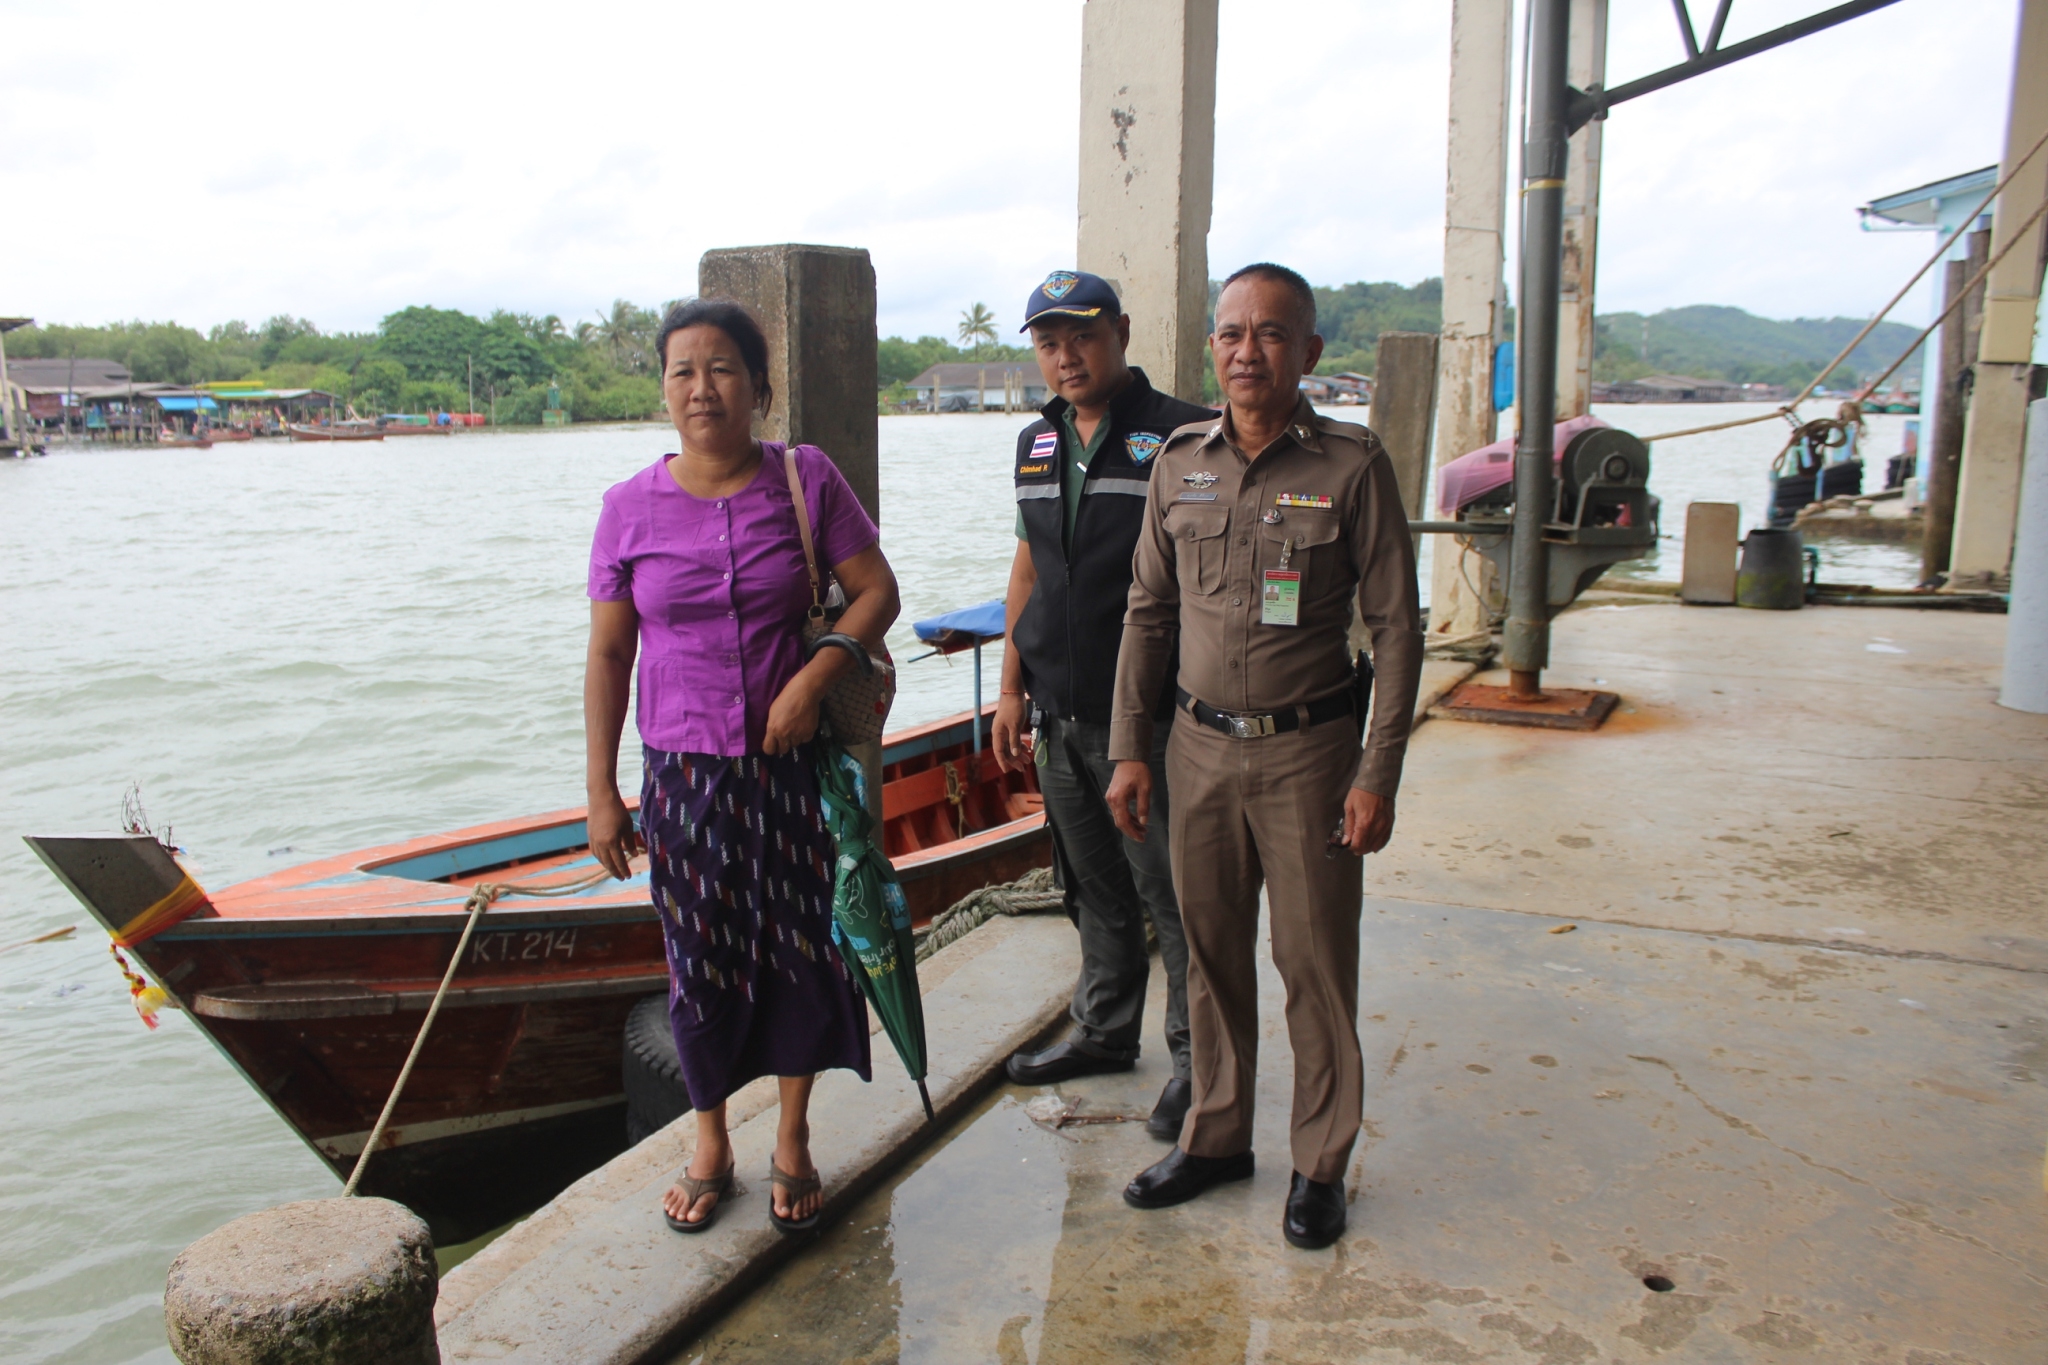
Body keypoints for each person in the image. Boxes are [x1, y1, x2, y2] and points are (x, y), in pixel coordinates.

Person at [1104, 263, 1424, 1250]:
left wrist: (1376, 772)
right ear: (1213, 346)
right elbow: (1148, 613)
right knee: (1206, 955)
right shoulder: (1178, 464)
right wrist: (1130, 749)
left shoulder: (1352, 465)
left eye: (1272, 333)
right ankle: (1215, 1137)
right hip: (1196, 748)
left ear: (1309, 351)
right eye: (1232, 333)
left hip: (1310, 754)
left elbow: (1397, 628)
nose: (1248, 351)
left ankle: (1319, 1163)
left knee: (1312, 962)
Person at [583, 298, 902, 1236]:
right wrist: (602, 792)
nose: (701, 387)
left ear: (759, 387)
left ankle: (793, 1136)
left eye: (722, 367)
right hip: (683, 778)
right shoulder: (626, 509)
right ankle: (712, 1139)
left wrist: (812, 678)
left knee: (803, 947)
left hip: (792, 765)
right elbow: (610, 654)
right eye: (682, 370)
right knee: (700, 958)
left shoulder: (806, 479)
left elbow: (876, 591)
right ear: (663, 390)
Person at [991, 270, 1216, 1140]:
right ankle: (1105, 1028)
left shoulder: (1185, 434)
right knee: (1092, 885)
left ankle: (1198, 1063)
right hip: (1058, 708)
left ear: (1120, 331)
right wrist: (1010, 688)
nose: (1066, 356)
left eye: (1082, 335)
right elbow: (1027, 569)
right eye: (1048, 342)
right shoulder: (1035, 443)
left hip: (1152, 718)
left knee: (1175, 893)